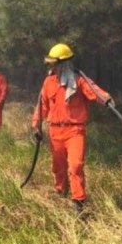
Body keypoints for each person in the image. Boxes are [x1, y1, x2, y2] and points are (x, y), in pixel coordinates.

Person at [31, 43, 113, 213]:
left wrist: (105, 98)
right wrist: (36, 125)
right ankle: (61, 191)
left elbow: (94, 91)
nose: (51, 66)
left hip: (75, 131)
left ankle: (78, 201)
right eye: (50, 63)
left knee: (75, 165)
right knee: (58, 166)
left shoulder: (79, 80)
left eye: (54, 63)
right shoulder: (48, 82)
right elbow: (41, 106)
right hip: (55, 131)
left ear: (64, 63)